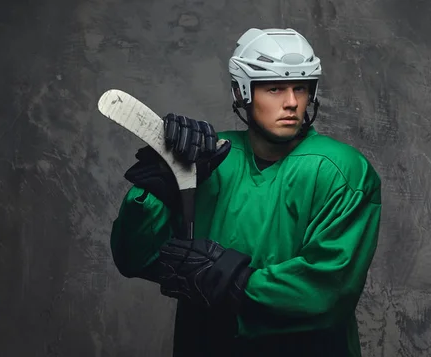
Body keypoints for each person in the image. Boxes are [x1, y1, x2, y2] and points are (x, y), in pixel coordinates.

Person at [109, 27, 382, 357]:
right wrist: (161, 187)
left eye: (301, 87)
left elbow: (327, 293)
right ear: (241, 93)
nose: (292, 102)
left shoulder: (343, 171)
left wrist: (230, 279)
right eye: (275, 88)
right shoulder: (208, 158)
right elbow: (135, 259)